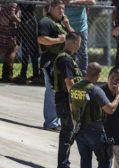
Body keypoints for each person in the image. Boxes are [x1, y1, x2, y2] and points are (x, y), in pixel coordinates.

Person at [72, 62, 119, 168]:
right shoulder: (95, 90)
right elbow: (110, 109)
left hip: (79, 130)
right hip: (95, 131)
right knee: (105, 161)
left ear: (86, 72)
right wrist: (118, 95)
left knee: (85, 162)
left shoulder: (75, 87)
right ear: (98, 75)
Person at [37, 0, 74, 131]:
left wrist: (67, 25)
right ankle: (50, 122)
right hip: (50, 61)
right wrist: (58, 40)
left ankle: (56, 121)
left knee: (59, 92)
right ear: (51, 8)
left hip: (62, 61)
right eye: (59, 8)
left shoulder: (60, 23)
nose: (62, 11)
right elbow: (41, 39)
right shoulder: (46, 22)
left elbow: (74, 37)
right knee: (52, 92)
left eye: (63, 9)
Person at [53, 32, 82, 168]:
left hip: (65, 99)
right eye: (79, 43)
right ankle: (63, 166)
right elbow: (69, 83)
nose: (79, 46)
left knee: (69, 131)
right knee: (67, 132)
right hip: (66, 100)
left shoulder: (68, 58)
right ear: (74, 42)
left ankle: (65, 164)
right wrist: (76, 101)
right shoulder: (65, 60)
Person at [64, 0, 95, 74]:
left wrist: (73, 2)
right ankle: (65, 74)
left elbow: (92, 2)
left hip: (80, 28)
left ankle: (82, 75)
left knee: (82, 52)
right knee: (64, 50)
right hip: (65, 26)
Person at [16, 2, 41, 83]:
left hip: (31, 22)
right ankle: (23, 75)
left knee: (33, 52)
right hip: (23, 21)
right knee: (24, 52)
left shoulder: (31, 3)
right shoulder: (21, 2)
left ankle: (36, 75)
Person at [0, 1, 20, 82]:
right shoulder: (13, 3)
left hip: (4, 29)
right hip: (9, 31)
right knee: (12, 51)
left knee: (7, 52)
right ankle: (8, 75)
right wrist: (20, 22)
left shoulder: (4, 4)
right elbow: (12, 15)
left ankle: (6, 74)